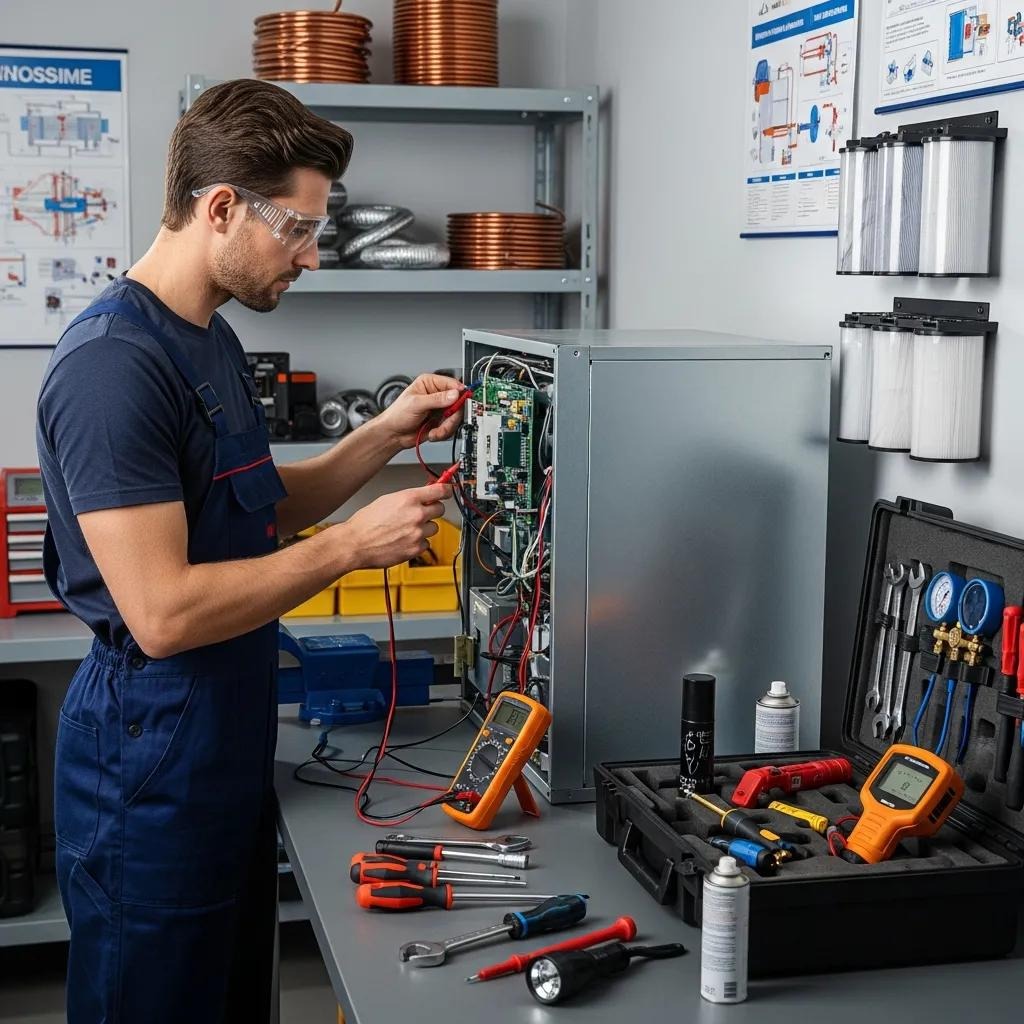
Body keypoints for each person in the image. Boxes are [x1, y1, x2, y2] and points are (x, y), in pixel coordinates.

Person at [36, 78, 461, 1024]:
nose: (310, 257)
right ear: (221, 207)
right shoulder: (113, 367)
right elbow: (165, 613)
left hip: (223, 729)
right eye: (299, 229)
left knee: (231, 998)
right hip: (147, 751)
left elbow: (257, 510)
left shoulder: (211, 341)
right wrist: (350, 549)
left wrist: (383, 436)